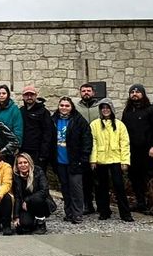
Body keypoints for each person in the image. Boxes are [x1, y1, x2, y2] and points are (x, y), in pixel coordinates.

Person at [90, 99, 134, 222]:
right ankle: (104, 212)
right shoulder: (94, 124)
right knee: (102, 187)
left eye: (107, 108)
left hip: (116, 159)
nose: (105, 110)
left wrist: (125, 161)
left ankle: (125, 214)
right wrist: (93, 160)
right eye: (103, 108)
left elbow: (125, 144)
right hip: (101, 160)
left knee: (119, 186)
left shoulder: (119, 125)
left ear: (111, 109)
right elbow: (93, 143)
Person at [53, 97, 92, 224]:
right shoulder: (54, 120)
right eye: (62, 105)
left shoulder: (78, 120)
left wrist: (84, 157)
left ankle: (77, 214)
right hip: (60, 161)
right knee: (65, 189)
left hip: (75, 161)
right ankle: (68, 212)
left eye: (67, 105)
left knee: (76, 189)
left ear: (71, 107)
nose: (64, 108)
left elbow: (87, 139)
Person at [122, 84, 153, 213]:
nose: (134, 94)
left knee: (149, 178)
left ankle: (152, 205)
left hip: (147, 151)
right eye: (132, 92)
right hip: (132, 151)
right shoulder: (127, 111)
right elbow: (123, 131)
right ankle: (140, 202)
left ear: (142, 94)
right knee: (135, 177)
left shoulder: (151, 110)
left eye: (137, 92)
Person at [76, 83, 102, 214]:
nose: (86, 93)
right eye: (84, 91)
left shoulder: (100, 107)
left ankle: (102, 204)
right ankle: (88, 204)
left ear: (93, 93)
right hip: (83, 147)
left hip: (100, 146)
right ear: (80, 93)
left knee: (99, 178)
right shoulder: (76, 108)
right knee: (86, 178)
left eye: (88, 90)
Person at [12, 153, 52, 234]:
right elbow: (17, 197)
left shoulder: (38, 171)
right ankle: (33, 221)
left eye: (25, 162)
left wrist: (27, 200)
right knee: (23, 226)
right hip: (26, 207)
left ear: (29, 163)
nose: (23, 165)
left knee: (37, 198)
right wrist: (16, 216)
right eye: (20, 163)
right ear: (17, 165)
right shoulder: (16, 176)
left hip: (40, 204)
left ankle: (41, 223)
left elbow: (44, 191)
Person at [19, 85, 55, 170]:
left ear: (36, 96)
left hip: (38, 152)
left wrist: (44, 153)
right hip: (24, 150)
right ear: (23, 97)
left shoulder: (43, 112)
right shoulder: (21, 111)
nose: (29, 97)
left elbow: (48, 133)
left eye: (31, 95)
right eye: (26, 95)